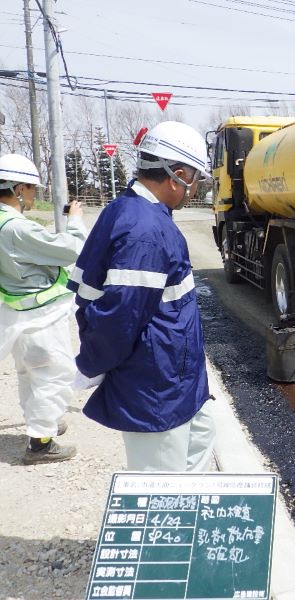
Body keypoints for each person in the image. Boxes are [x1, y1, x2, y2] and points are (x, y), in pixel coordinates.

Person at [68, 121, 216, 472]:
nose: (194, 190)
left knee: (199, 444)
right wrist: (92, 364)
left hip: (176, 379)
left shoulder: (135, 212)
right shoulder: (145, 232)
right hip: (155, 387)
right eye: (195, 179)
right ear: (177, 175)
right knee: (159, 489)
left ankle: (184, 527)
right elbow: (118, 317)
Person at [0, 153, 86, 465]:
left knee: (30, 373)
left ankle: (44, 424)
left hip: (16, 312)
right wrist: (75, 220)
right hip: (41, 316)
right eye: (33, 189)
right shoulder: (16, 228)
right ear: (18, 189)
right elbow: (70, 250)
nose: (35, 195)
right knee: (53, 374)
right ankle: (41, 443)